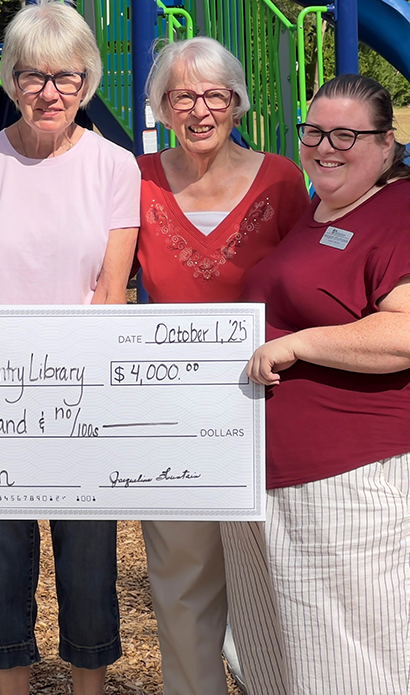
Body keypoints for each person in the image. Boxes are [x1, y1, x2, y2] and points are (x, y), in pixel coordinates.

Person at [240, 73, 410, 694]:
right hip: (295, 484)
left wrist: (298, 344)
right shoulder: (322, 210)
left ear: (386, 144)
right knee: (305, 663)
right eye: (315, 131)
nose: (327, 147)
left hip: (375, 481)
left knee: (378, 660)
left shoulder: (408, 214)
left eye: (347, 134)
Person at [0, 0, 140, 695]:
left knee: (88, 553)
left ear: (88, 81)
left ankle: (90, 687)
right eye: (32, 76)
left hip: (82, 394)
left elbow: (112, 294)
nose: (49, 93)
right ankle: (11, 687)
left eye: (66, 77)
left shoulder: (115, 167)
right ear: (9, 77)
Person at [136, 37, 309, 695]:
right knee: (182, 589)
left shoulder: (282, 181)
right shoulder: (139, 181)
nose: (200, 109)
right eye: (183, 96)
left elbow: (308, 286)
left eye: (215, 96)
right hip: (172, 417)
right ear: (161, 106)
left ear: (237, 103)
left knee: (275, 586)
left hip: (268, 411)